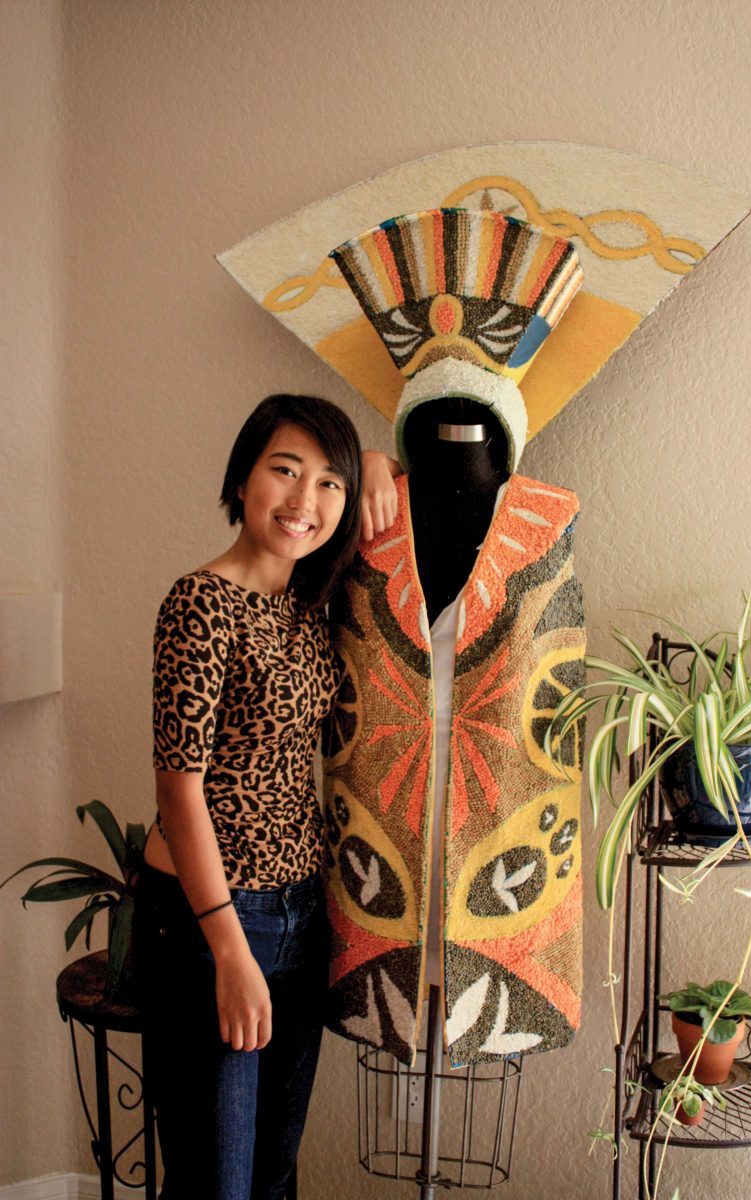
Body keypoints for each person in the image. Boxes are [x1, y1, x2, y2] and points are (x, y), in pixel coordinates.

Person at [134, 393, 398, 1200]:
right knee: (218, 1183)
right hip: (210, 917)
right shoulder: (199, 602)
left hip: (301, 913)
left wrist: (378, 465)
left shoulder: (309, 603)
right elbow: (179, 791)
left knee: (275, 1178)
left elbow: (421, 480)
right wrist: (227, 950)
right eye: (285, 471)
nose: (303, 501)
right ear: (243, 479)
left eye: (328, 485)